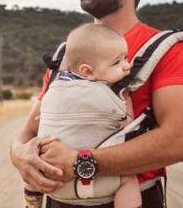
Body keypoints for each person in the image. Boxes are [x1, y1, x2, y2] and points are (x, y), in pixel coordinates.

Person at [11, 0, 183, 208]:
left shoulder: (170, 50)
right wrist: (19, 154)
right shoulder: (67, 53)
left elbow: (178, 142)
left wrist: (78, 162)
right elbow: (29, 129)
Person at [24, 23, 141, 208]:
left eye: (126, 58)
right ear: (88, 72)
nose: (127, 66)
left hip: (54, 182)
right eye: (117, 62)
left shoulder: (55, 86)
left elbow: (36, 126)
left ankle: (31, 197)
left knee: (38, 159)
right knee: (130, 180)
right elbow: (128, 128)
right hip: (106, 182)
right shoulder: (110, 95)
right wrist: (127, 102)